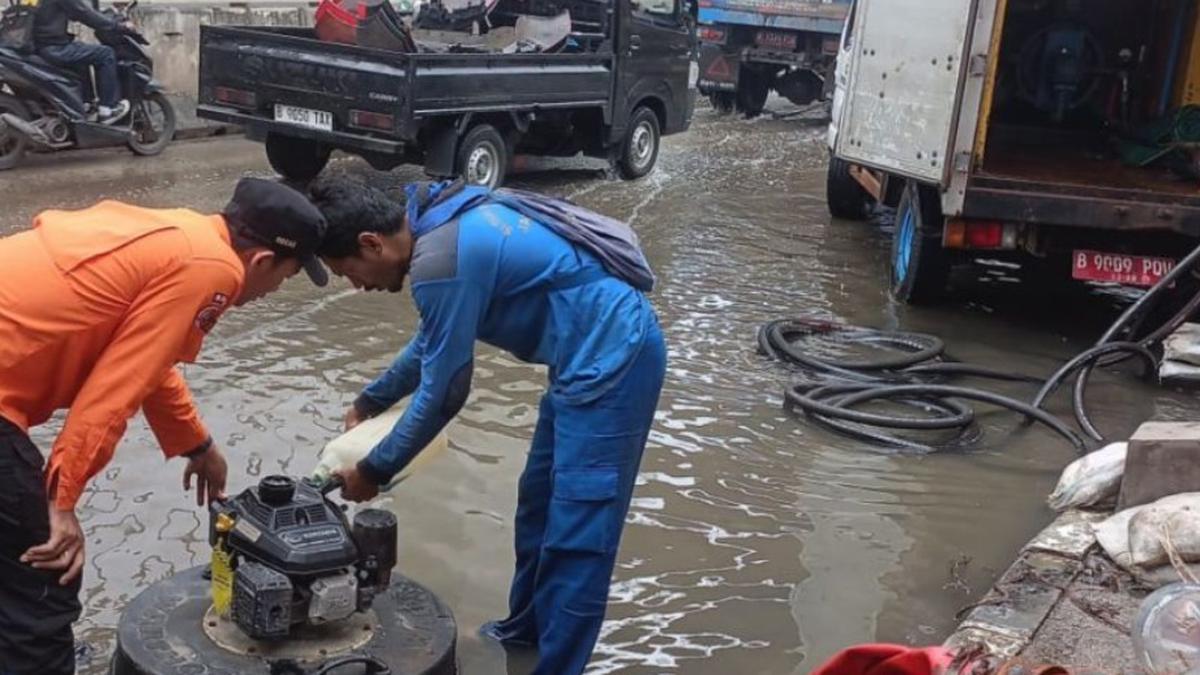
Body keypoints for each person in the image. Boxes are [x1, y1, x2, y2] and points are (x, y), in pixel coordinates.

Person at [309, 177, 666, 675]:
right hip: (580, 363)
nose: (356, 283)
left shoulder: (439, 260)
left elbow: (445, 392)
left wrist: (375, 468)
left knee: (578, 536)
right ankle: (523, 634)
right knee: (538, 507)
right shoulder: (436, 225)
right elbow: (436, 339)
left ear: (371, 242)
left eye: (347, 269)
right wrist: (373, 399)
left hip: (616, 359)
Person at [0, 178, 329, 675]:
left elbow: (148, 360)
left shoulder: (185, 233)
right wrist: (61, 502)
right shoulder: (213, 270)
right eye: (284, 278)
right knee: (46, 575)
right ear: (262, 261)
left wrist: (197, 444)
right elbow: (116, 388)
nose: (273, 292)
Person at [33, 0, 133, 124]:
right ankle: (107, 110)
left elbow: (75, 13)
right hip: (55, 47)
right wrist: (118, 26)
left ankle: (87, 105)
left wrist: (98, 15)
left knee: (81, 53)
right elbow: (83, 13)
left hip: (40, 46)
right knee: (106, 54)